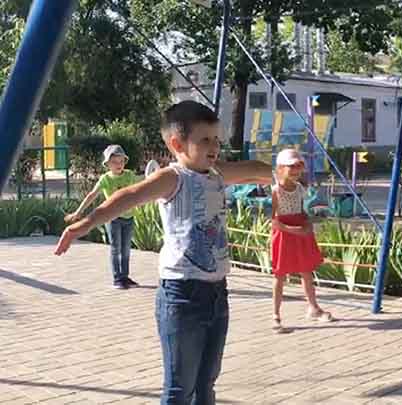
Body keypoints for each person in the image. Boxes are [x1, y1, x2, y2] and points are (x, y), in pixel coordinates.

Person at [55, 100, 272, 404]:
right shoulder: (173, 178)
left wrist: (283, 172)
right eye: (204, 140)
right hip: (182, 295)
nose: (214, 146)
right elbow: (128, 196)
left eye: (216, 139)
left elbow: (252, 171)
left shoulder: (216, 173)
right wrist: (85, 223)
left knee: (206, 384)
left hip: (217, 293)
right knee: (179, 389)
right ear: (177, 144)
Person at [271, 148, 332, 333]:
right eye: (292, 166)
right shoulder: (275, 191)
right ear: (280, 168)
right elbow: (274, 222)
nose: (296, 170)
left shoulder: (299, 188)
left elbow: (301, 210)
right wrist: (292, 230)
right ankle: (275, 315)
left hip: (300, 232)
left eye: (299, 166)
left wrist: (307, 223)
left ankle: (313, 307)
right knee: (280, 275)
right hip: (284, 235)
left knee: (306, 271)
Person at [66, 144, 141, 289]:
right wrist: (78, 212)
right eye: (115, 162)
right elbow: (91, 195)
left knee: (126, 249)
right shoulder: (105, 179)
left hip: (129, 217)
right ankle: (117, 278)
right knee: (116, 248)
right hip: (112, 219)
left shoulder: (130, 175)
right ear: (107, 164)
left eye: (121, 161)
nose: (119, 165)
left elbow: (138, 190)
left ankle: (125, 277)